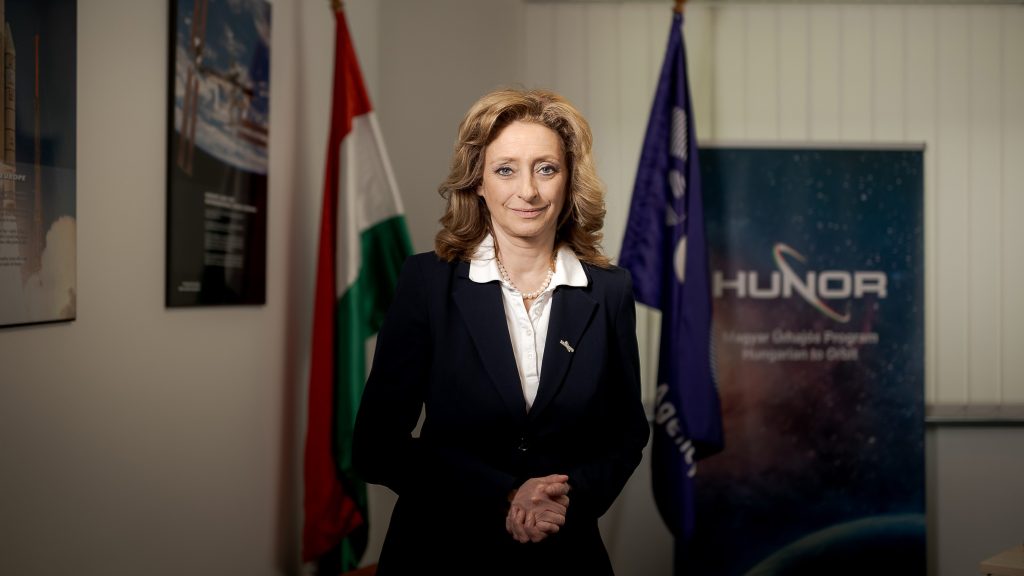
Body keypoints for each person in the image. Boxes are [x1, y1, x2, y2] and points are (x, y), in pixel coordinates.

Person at [352, 87, 650, 575]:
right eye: (506, 169)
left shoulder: (609, 291)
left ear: (570, 180)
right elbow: (375, 446)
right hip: (439, 551)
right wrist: (507, 494)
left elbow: (626, 433)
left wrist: (560, 502)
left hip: (563, 551)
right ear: (478, 182)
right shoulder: (427, 282)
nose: (527, 191)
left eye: (546, 169)